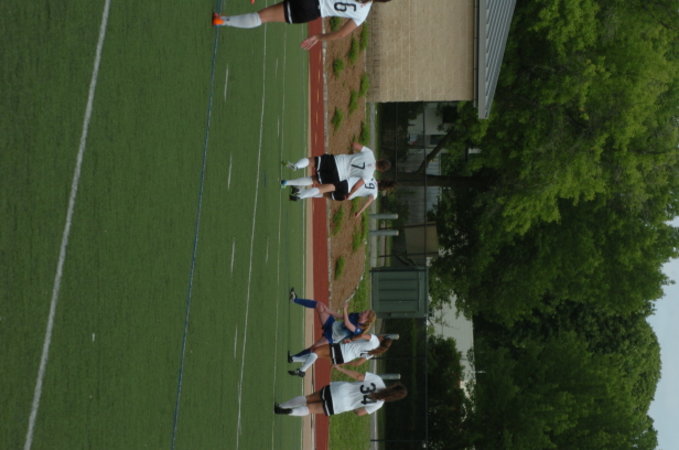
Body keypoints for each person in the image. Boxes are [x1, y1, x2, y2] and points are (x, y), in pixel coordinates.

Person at [212, 1, 392, 50]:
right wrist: (318, 37)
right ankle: (223, 21)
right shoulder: (362, 14)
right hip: (310, 11)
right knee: (263, 17)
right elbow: (340, 34)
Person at [274, 365, 407, 416]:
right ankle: (290, 412)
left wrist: (341, 369)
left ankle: (282, 406)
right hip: (341, 405)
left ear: (393, 386)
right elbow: (359, 412)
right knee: (311, 409)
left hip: (339, 390)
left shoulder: (378, 380)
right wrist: (353, 407)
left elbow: (358, 376)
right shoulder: (378, 404)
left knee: (308, 398)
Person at [282, 142, 391, 199]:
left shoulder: (370, 153)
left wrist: (353, 153)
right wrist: (350, 194)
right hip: (339, 176)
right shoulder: (369, 176)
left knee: (312, 161)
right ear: (381, 170)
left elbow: (354, 144)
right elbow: (356, 186)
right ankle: (288, 184)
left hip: (337, 160)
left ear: (381, 159)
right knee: (314, 179)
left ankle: (296, 166)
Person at [288, 288, 376, 349]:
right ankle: (294, 299)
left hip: (332, 336)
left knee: (315, 348)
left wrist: (345, 309)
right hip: (332, 324)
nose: (363, 311)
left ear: (366, 319)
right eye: (365, 310)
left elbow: (347, 324)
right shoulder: (356, 315)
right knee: (320, 305)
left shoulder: (359, 330)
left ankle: (294, 359)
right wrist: (328, 310)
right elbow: (342, 317)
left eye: (365, 313)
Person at [288, 333, 393, 377]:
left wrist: (351, 339)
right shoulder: (374, 352)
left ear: (382, 338)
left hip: (342, 349)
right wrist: (344, 363)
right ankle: (293, 359)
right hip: (344, 358)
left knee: (316, 351)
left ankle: (302, 371)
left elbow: (362, 335)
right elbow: (358, 363)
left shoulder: (375, 339)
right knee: (317, 355)